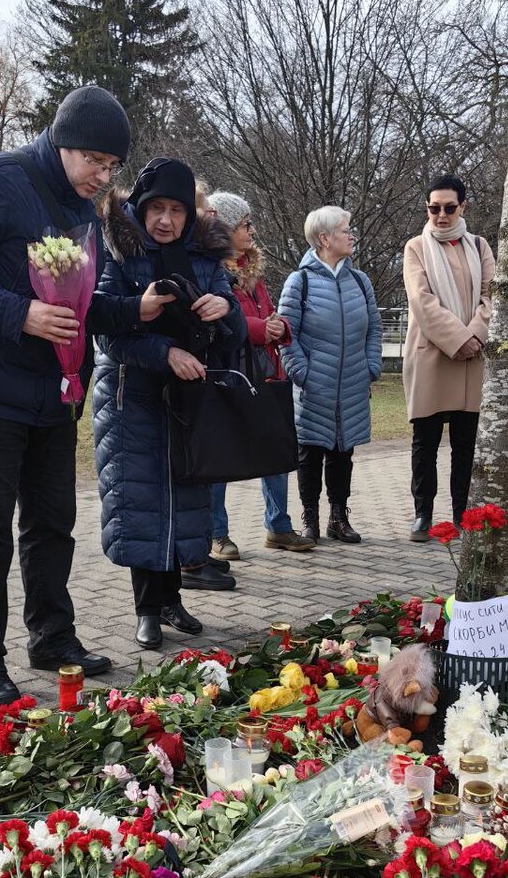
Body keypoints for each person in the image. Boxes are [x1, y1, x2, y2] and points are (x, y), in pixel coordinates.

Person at [0, 85, 176, 709]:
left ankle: (52, 637)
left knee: (53, 524)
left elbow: (77, 307)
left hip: (55, 393)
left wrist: (133, 310)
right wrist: (19, 313)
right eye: (96, 162)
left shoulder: (87, 208)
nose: (103, 177)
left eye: (113, 167)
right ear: (63, 144)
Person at [93, 158, 246, 649]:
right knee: (141, 500)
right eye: (156, 208)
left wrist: (226, 310)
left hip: (188, 399)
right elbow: (107, 329)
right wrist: (165, 352)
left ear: (188, 214)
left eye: (176, 210)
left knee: (184, 498)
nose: (165, 220)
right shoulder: (117, 250)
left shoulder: (205, 255)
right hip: (130, 396)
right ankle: (146, 609)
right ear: (140, 207)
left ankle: (173, 599)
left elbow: (234, 330)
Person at [205, 191, 315, 559]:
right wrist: (258, 328)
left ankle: (279, 527)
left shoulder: (254, 268)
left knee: (275, 450)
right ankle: (217, 534)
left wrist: (279, 326)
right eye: (244, 224)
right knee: (220, 456)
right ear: (224, 228)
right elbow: (221, 320)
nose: (251, 230)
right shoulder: (212, 270)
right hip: (229, 374)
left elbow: (270, 314)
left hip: (266, 373)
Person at [278, 206, 382, 544]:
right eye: (344, 230)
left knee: (343, 453)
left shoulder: (360, 281)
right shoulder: (300, 282)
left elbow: (374, 330)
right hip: (312, 388)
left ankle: (339, 518)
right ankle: (310, 519)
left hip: (352, 385)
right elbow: (285, 335)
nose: (352, 235)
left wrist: (370, 367)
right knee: (309, 454)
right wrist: (303, 375)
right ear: (324, 238)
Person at [402, 173, 496, 541]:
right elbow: (421, 301)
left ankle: (462, 514)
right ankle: (422, 514)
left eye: (448, 208)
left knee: (465, 443)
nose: (440, 215)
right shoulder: (416, 247)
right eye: (433, 208)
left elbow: (492, 295)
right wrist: (459, 338)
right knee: (425, 442)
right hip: (432, 355)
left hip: (472, 358)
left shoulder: (479, 245)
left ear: (463, 207)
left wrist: (475, 335)